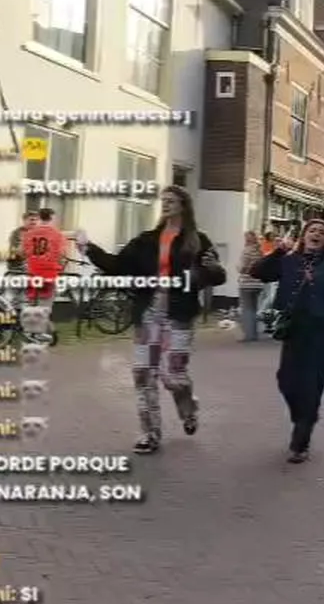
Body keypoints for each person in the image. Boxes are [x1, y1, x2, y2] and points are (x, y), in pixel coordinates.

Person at [79, 187, 226, 454]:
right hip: (148, 314)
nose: (166, 204)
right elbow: (117, 265)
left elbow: (217, 276)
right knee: (143, 374)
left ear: (183, 205)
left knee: (173, 377)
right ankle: (150, 433)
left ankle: (188, 409)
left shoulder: (197, 241)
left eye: (172, 200)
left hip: (179, 315)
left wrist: (212, 269)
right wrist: (88, 248)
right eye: (164, 201)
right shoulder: (146, 240)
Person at [250, 218, 324, 463]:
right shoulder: (288, 260)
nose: (316, 234)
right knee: (286, 380)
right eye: (312, 230)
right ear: (303, 236)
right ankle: (304, 416)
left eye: (321, 232)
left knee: (312, 384)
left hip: (321, 332)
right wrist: (279, 250)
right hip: (293, 329)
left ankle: (300, 441)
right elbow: (257, 272)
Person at [22, 208, 67, 341]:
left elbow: (23, 252)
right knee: (45, 305)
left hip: (33, 273)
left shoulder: (29, 234)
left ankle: (30, 332)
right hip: (49, 274)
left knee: (32, 303)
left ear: (40, 218)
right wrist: (60, 268)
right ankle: (38, 334)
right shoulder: (57, 234)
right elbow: (62, 254)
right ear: (52, 218)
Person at [238, 231, 264, 342]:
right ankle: (254, 333)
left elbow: (242, 267)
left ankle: (249, 335)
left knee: (247, 309)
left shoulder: (247, 251)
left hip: (247, 283)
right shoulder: (259, 251)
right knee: (254, 309)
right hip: (258, 283)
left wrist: (238, 268)